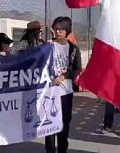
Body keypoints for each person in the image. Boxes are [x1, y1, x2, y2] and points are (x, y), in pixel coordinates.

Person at [45, 16, 82, 153]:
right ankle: (49, 150)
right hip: (49, 92)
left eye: (62, 29)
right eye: (56, 29)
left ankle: (62, 149)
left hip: (65, 93)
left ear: (67, 31)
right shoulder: (48, 46)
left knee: (64, 125)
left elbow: (77, 68)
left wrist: (64, 75)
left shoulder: (73, 49)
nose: (58, 31)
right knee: (49, 125)